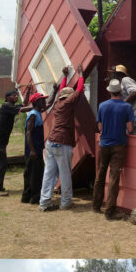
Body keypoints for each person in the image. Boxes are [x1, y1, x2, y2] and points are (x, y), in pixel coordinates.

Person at [39, 65, 85, 211]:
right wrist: (81, 74)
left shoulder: (58, 103)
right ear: (69, 97)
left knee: (48, 174)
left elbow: (62, 90)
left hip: (51, 142)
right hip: (62, 142)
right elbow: (79, 90)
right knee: (65, 174)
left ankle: (44, 202)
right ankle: (65, 203)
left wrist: (64, 76)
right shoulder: (69, 103)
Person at [94, 79, 135, 219]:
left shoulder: (102, 106)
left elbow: (99, 127)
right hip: (119, 145)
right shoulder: (127, 107)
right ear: (121, 91)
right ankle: (110, 210)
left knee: (100, 175)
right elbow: (130, 128)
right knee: (113, 178)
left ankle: (96, 205)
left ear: (110, 91)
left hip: (104, 144)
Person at [0, 90, 20, 196]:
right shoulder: (6, 106)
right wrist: (36, 107)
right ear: (7, 97)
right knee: (0, 163)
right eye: (14, 95)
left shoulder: (11, 106)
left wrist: (28, 92)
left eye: (17, 95)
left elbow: (23, 106)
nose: (16, 97)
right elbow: (23, 108)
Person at [20, 93, 46, 204]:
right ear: (36, 102)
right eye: (42, 100)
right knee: (35, 174)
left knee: (30, 173)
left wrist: (55, 92)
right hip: (33, 150)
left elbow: (48, 105)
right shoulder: (33, 115)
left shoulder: (37, 112)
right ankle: (34, 198)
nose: (44, 102)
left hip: (35, 149)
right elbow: (29, 133)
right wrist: (32, 150)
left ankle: (27, 197)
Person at [112, 64, 136, 135]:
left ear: (118, 74)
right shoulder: (122, 83)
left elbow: (135, 92)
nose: (113, 76)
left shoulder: (125, 79)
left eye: (114, 73)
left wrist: (123, 103)